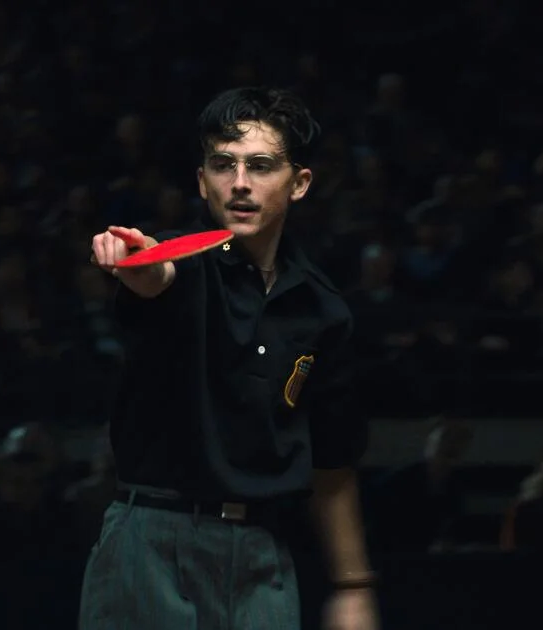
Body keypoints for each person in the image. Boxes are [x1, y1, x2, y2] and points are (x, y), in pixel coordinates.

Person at [83, 87, 379, 629]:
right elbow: (154, 276)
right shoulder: (180, 263)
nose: (240, 182)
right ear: (203, 181)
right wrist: (135, 262)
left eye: (260, 166)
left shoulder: (323, 310)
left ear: (299, 183)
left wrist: (352, 586)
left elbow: (333, 462)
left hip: (263, 555)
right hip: (152, 541)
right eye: (224, 165)